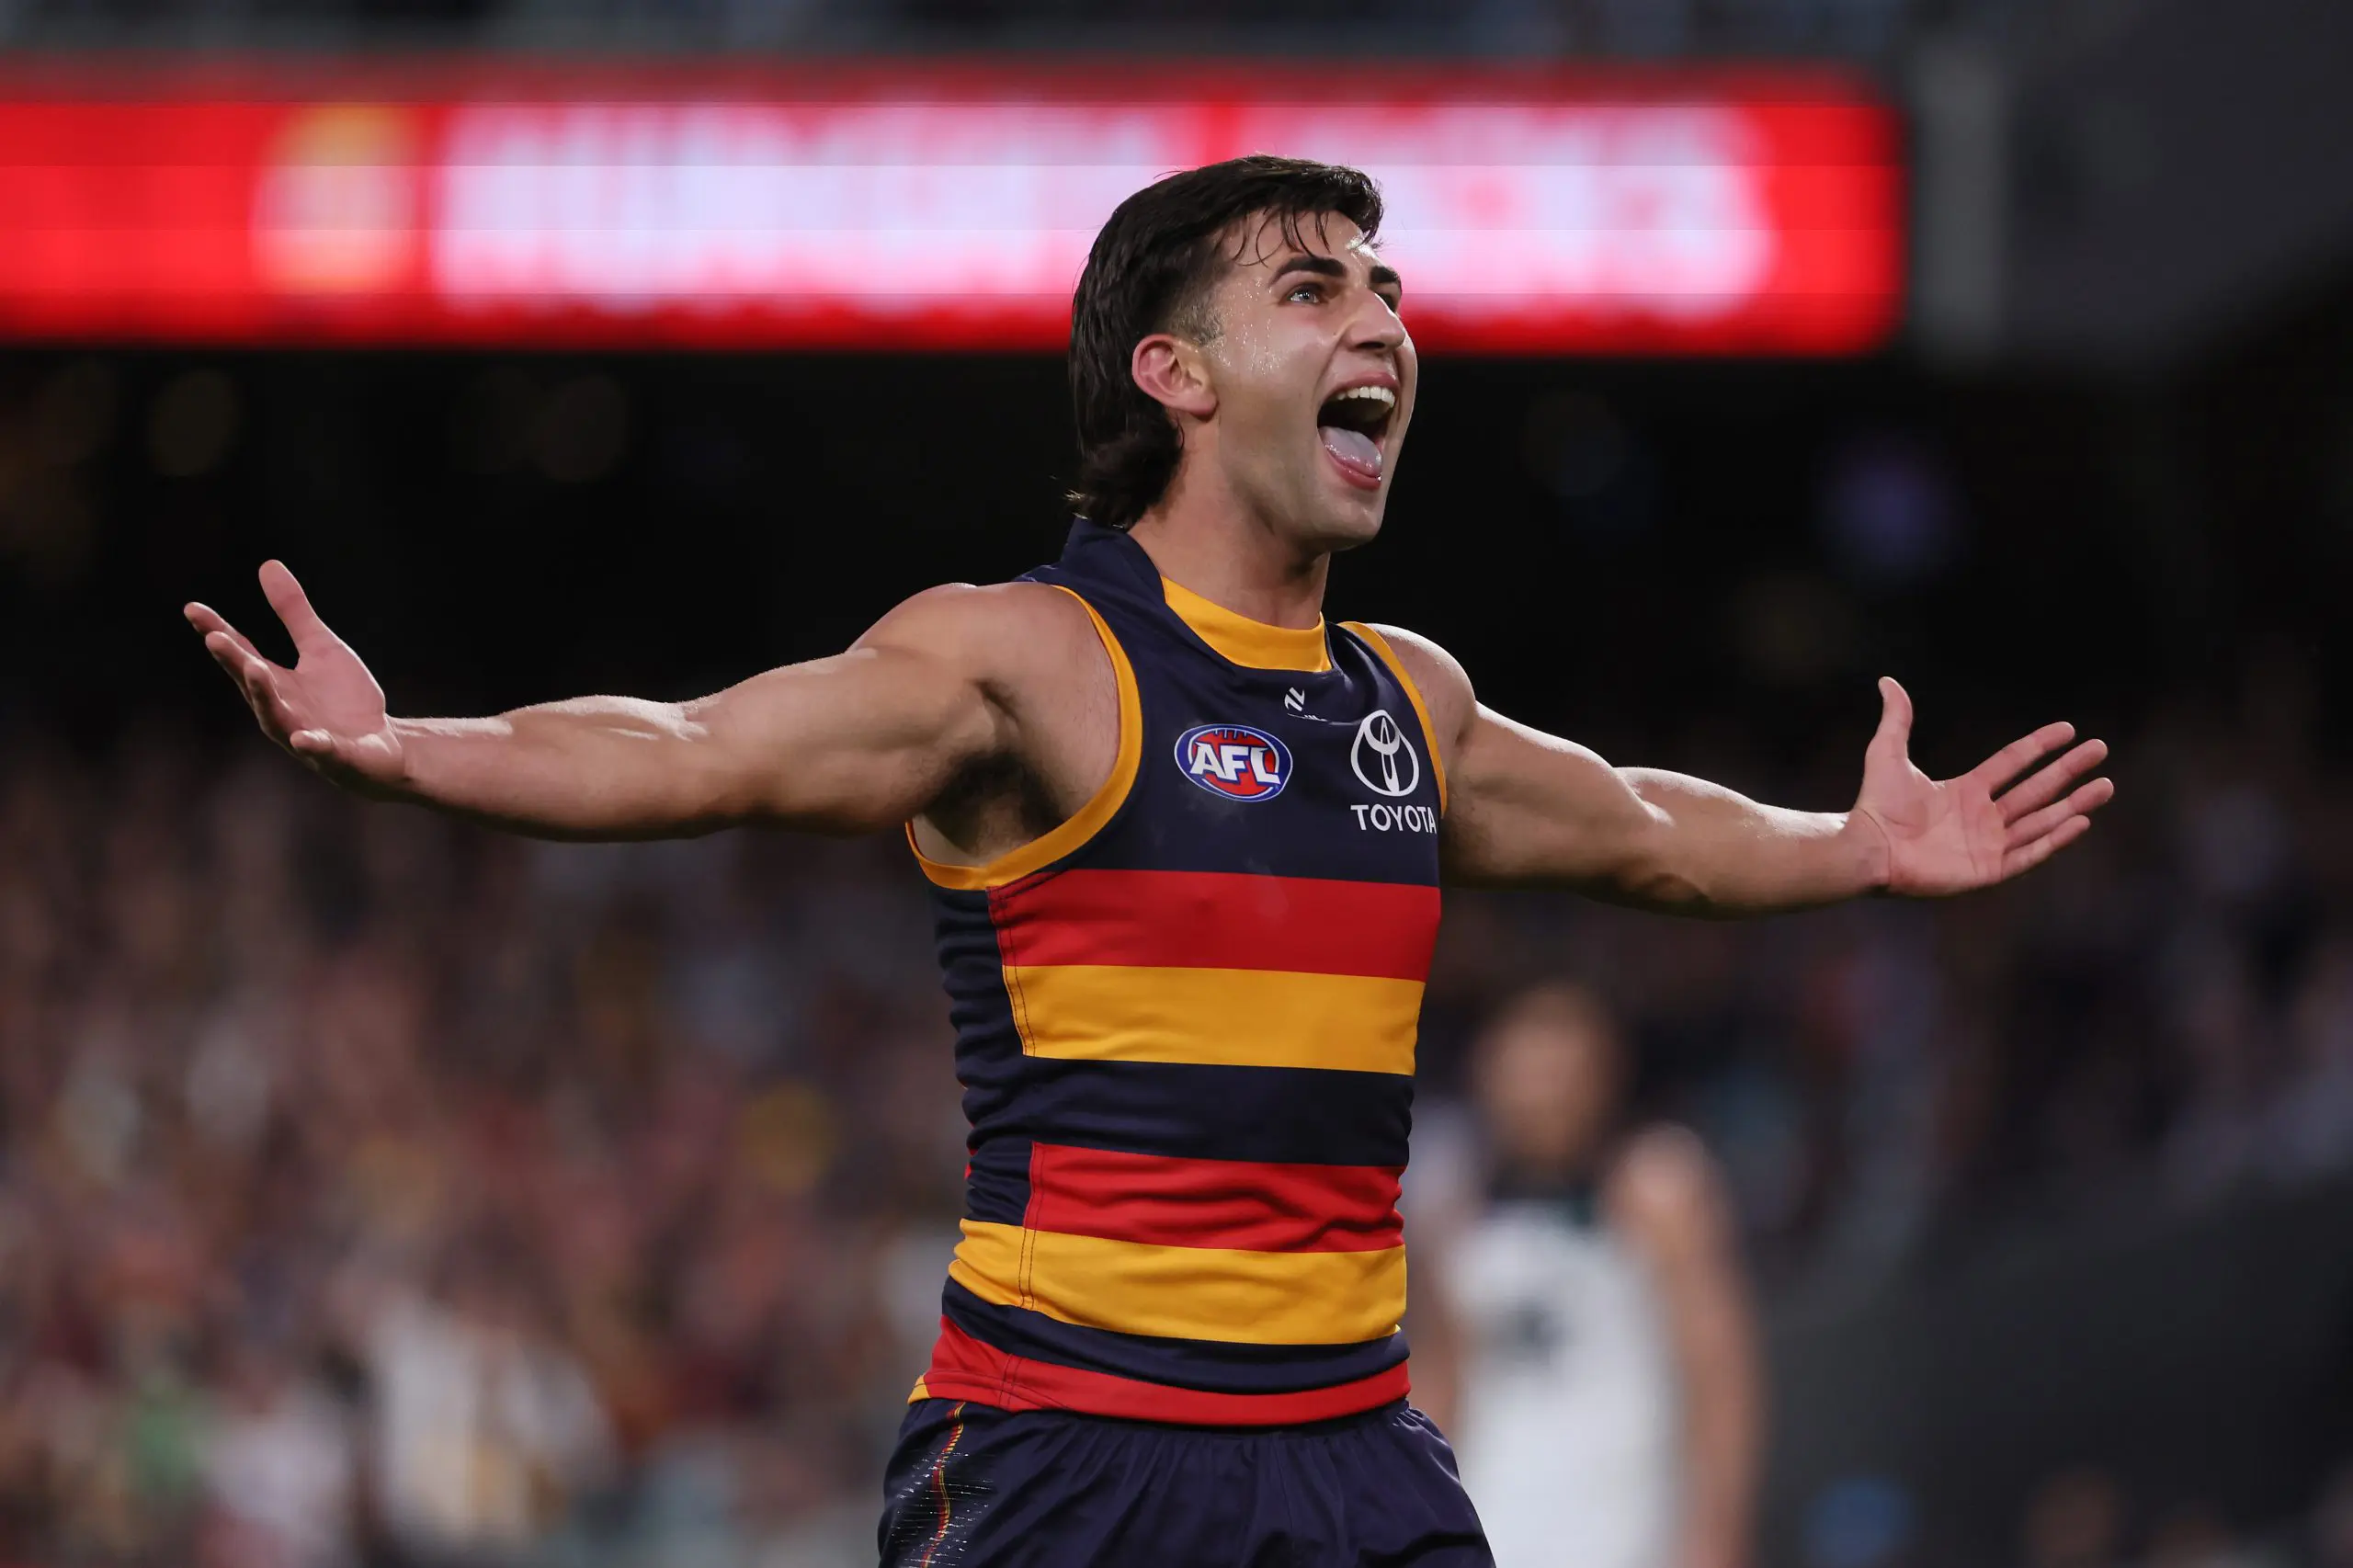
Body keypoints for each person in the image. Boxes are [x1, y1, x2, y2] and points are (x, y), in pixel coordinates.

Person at [184, 154, 2115, 1567]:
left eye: (1384, 288)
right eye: (1310, 290)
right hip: (1065, 1464)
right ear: (1174, 376)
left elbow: (1638, 829)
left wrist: (1847, 845)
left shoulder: (1399, 700)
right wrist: (407, 749)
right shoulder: (1026, 659)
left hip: (1356, 1462)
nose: (1378, 321)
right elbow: (698, 745)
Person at [1414, 983, 1760, 1568]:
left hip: (1629, 1529)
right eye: (1527, 1072)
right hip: (1494, 1519)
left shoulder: (1660, 1188)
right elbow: (1441, 1382)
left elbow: (1719, 1376)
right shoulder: (1450, 1207)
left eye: (1565, 1072)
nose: (1545, 1096)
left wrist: (1717, 1533)